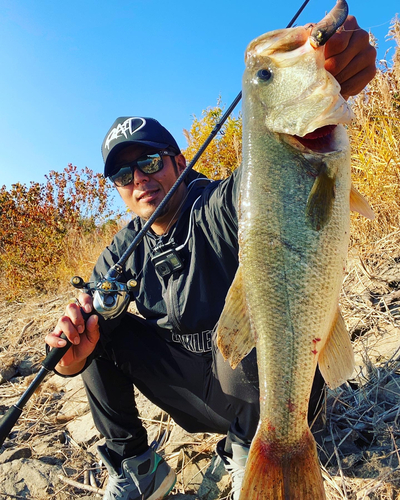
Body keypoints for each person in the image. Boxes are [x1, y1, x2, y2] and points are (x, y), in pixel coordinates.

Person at [46, 16, 376, 500]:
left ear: (179, 162)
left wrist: (333, 70)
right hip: (197, 395)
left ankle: (257, 446)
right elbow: (82, 333)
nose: (140, 179)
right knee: (94, 321)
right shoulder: (124, 250)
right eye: (123, 174)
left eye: (152, 161)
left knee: (264, 306)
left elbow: (266, 178)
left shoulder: (221, 203)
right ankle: (138, 467)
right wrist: (69, 361)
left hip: (274, 390)